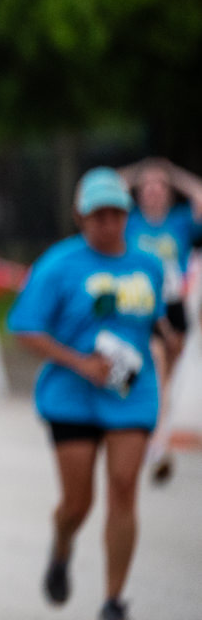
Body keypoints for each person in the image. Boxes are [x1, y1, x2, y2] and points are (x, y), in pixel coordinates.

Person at [7, 167, 171, 620]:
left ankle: (114, 600)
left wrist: (169, 345)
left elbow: (157, 322)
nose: (108, 223)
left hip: (131, 394)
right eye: (98, 215)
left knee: (124, 488)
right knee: (78, 502)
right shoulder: (59, 264)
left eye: (116, 214)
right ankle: (62, 544)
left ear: (127, 215)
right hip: (72, 396)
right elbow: (24, 328)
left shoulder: (149, 266)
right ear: (80, 216)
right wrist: (79, 362)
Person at [116, 157, 202, 483]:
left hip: (175, 304)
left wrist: (173, 173)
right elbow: (104, 187)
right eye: (147, 185)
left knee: (167, 378)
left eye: (159, 185)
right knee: (155, 359)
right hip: (142, 304)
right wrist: (139, 171)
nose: (153, 190)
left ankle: (153, 429)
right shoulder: (130, 221)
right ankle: (153, 440)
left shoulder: (180, 221)